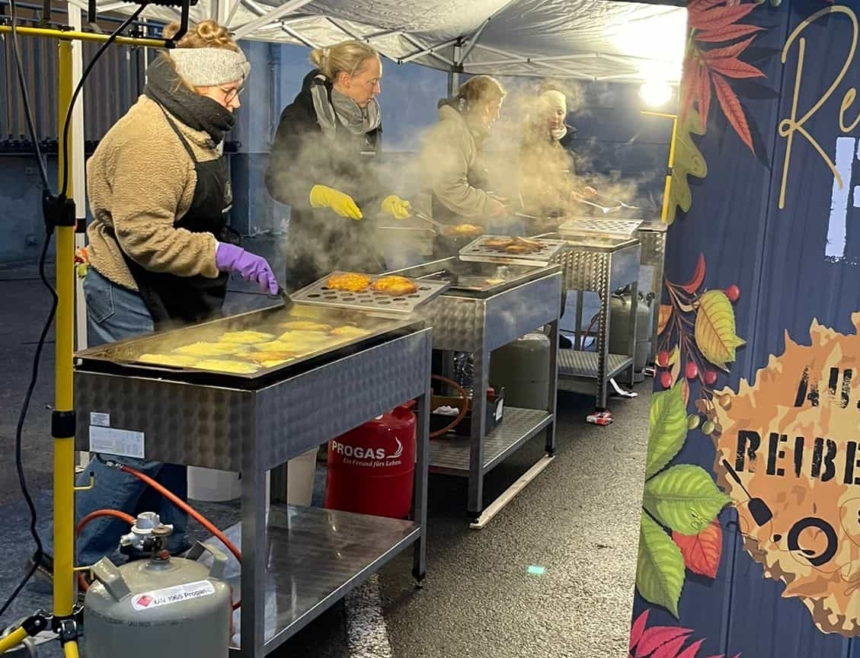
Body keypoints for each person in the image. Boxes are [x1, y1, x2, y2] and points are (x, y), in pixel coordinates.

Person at [35, 19, 276, 579]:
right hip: (130, 295)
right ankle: (73, 553)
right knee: (139, 431)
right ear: (193, 84)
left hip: (174, 293)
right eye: (228, 91)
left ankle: (165, 535)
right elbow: (144, 237)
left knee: (175, 422)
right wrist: (224, 256)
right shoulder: (151, 139)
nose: (235, 102)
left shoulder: (192, 122)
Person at [266, 41, 412, 290]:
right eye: (372, 81)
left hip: (364, 245)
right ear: (346, 79)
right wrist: (320, 194)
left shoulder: (369, 119)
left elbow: (371, 172)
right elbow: (277, 180)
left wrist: (385, 196)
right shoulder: (302, 115)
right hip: (315, 251)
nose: (378, 89)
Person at [416, 76, 509, 230]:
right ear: (476, 105)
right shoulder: (451, 131)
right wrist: (485, 204)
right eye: (492, 108)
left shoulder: (467, 132)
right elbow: (450, 187)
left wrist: (487, 198)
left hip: (462, 224)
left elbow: (467, 177)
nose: (496, 116)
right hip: (446, 229)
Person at [518, 89, 597, 233]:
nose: (555, 117)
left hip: (569, 214)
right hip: (540, 216)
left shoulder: (570, 139)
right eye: (549, 112)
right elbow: (532, 181)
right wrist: (566, 194)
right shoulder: (530, 142)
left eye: (559, 112)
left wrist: (585, 186)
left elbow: (579, 171)